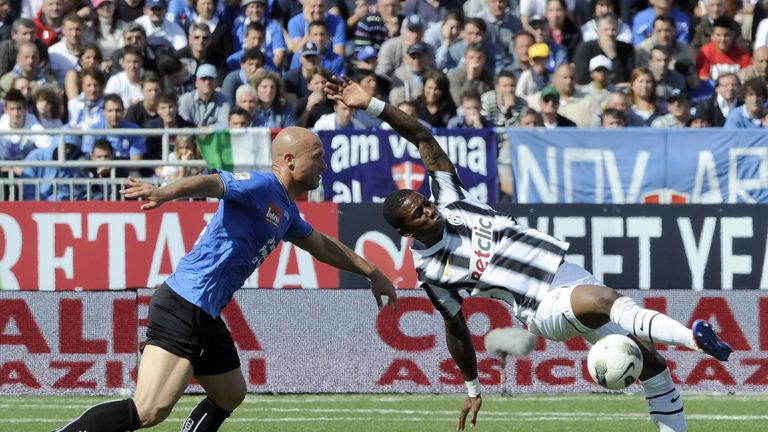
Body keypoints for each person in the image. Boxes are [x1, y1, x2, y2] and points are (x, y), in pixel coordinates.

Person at [325, 75, 734, 432]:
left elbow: (422, 137)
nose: (427, 211)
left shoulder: (452, 199)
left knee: (654, 368)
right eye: (417, 214)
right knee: (607, 300)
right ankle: (694, 338)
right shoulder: (431, 269)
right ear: (404, 230)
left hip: (568, 274)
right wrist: (472, 388)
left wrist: (374, 105)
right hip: (542, 307)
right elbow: (456, 328)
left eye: (423, 202)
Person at [54, 126, 398, 432]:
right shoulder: (263, 185)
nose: (324, 165)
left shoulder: (287, 210)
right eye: (318, 157)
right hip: (184, 304)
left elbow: (321, 245)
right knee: (148, 410)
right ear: (290, 160)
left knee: (230, 393)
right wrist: (165, 192)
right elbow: (215, 182)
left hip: (205, 312)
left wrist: (372, 271)